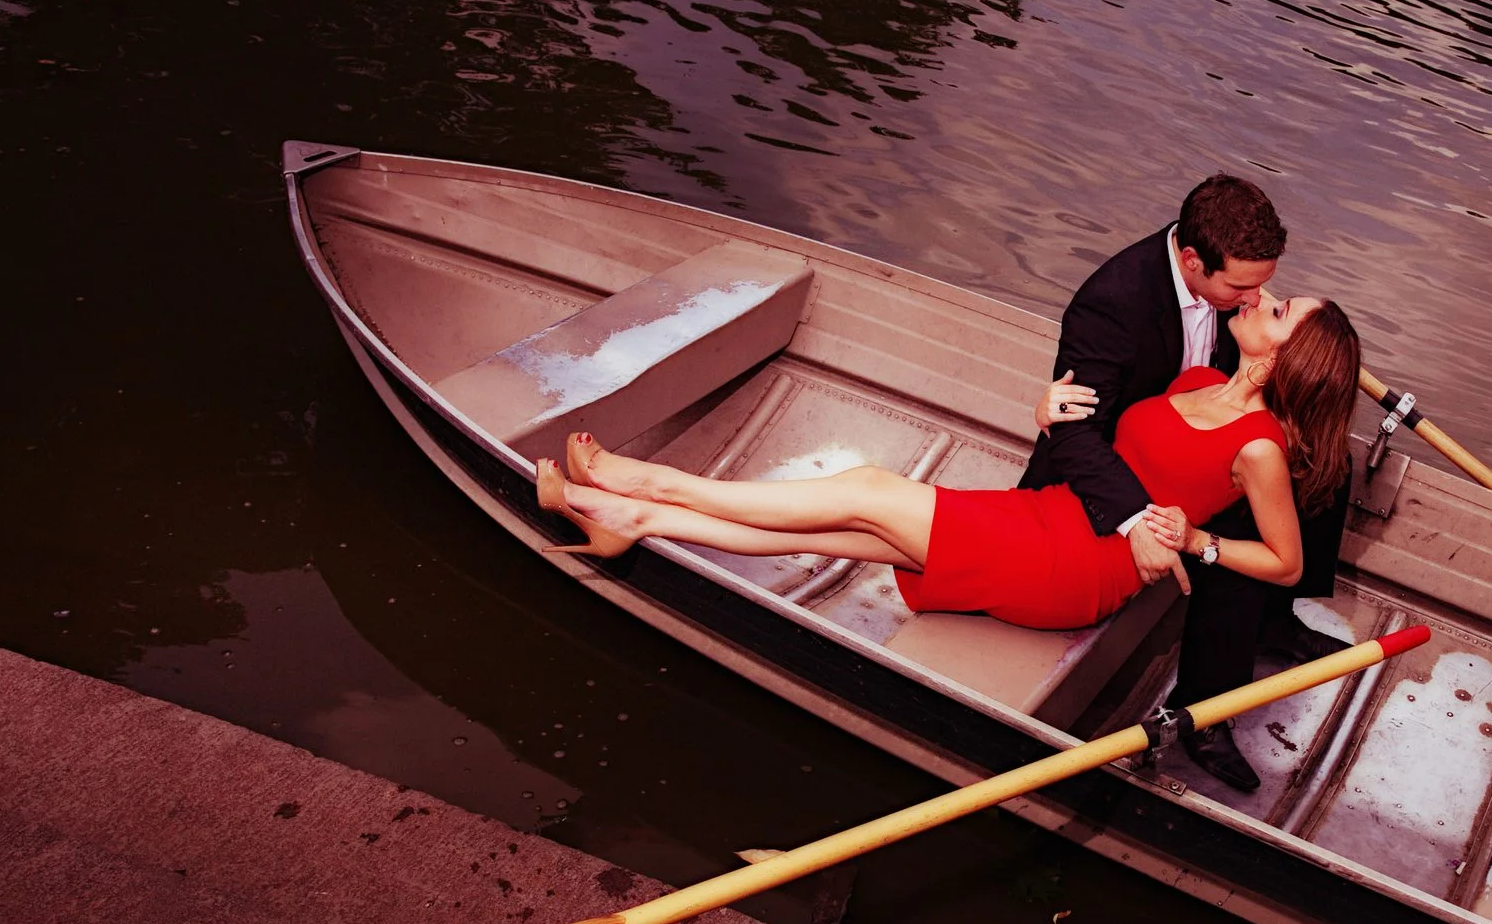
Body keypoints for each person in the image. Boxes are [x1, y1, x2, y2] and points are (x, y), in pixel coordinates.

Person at [534, 294, 1363, 795]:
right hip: (1050, 516)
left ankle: (644, 484)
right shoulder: (1195, 380)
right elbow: (1109, 446)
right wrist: (1052, 413)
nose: (1264, 300)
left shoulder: (1257, 446)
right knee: (857, 529)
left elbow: (1284, 563)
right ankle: (636, 524)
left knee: (865, 492)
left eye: (1282, 312)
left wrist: (1199, 541)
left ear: (1291, 354)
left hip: (1080, 567)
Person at [1020, 174, 1351, 790]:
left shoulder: (1235, 285)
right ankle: (1204, 716)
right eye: (1244, 286)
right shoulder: (1112, 302)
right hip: (1130, 462)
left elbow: (1255, 356)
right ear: (1192, 260)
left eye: (1266, 284)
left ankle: (1276, 617)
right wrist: (1138, 520)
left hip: (1197, 442)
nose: (1258, 298)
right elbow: (1078, 434)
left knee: (1328, 460)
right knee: (1239, 535)